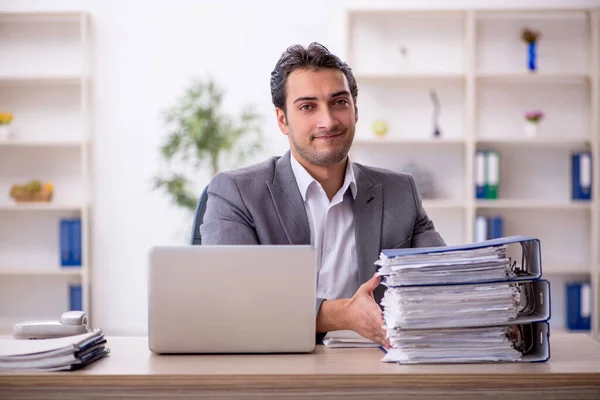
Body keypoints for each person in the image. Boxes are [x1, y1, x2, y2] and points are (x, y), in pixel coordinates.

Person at [199, 42, 445, 346]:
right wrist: (341, 314)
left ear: (356, 111)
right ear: (282, 120)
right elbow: (232, 299)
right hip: (272, 368)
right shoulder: (236, 192)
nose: (328, 121)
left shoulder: (400, 192)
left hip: (374, 370)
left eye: (339, 102)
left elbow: (441, 283)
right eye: (307, 106)